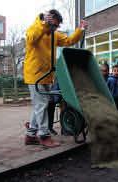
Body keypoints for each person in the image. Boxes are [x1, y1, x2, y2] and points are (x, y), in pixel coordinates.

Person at [24, 9, 88, 148]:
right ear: (48, 20)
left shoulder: (53, 34)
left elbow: (68, 40)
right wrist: (43, 25)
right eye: (54, 25)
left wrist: (80, 30)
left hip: (46, 75)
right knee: (41, 105)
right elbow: (31, 39)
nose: (56, 28)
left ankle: (30, 135)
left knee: (40, 106)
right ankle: (44, 136)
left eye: (57, 26)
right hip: (35, 75)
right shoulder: (35, 28)